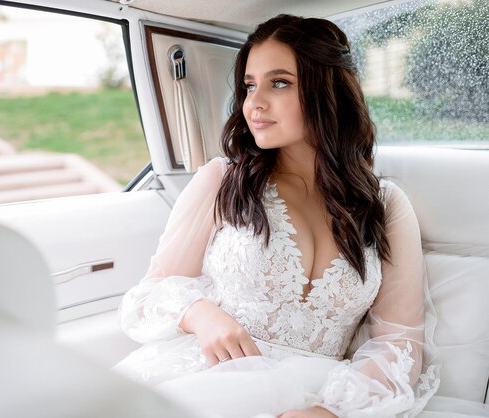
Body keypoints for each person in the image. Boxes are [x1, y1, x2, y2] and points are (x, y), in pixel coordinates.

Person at [114, 14, 439, 418]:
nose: (254, 103)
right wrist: (200, 314)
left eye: (279, 82)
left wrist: (331, 411)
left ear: (328, 91)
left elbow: (400, 344)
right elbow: (146, 297)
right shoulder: (222, 181)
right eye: (249, 86)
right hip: (206, 377)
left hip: (319, 394)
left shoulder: (385, 205)